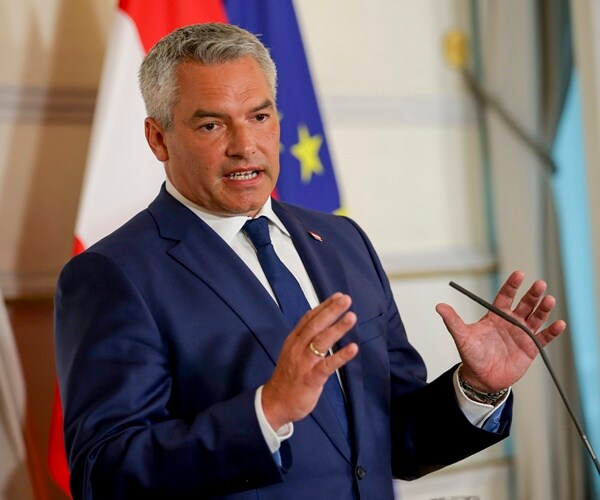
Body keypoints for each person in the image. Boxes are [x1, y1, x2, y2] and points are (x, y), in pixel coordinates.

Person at [54, 23, 566, 500]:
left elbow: (394, 441)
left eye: (259, 117)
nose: (245, 146)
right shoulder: (113, 275)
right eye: (211, 125)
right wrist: (267, 412)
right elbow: (105, 473)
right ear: (158, 138)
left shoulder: (343, 241)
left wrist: (475, 388)